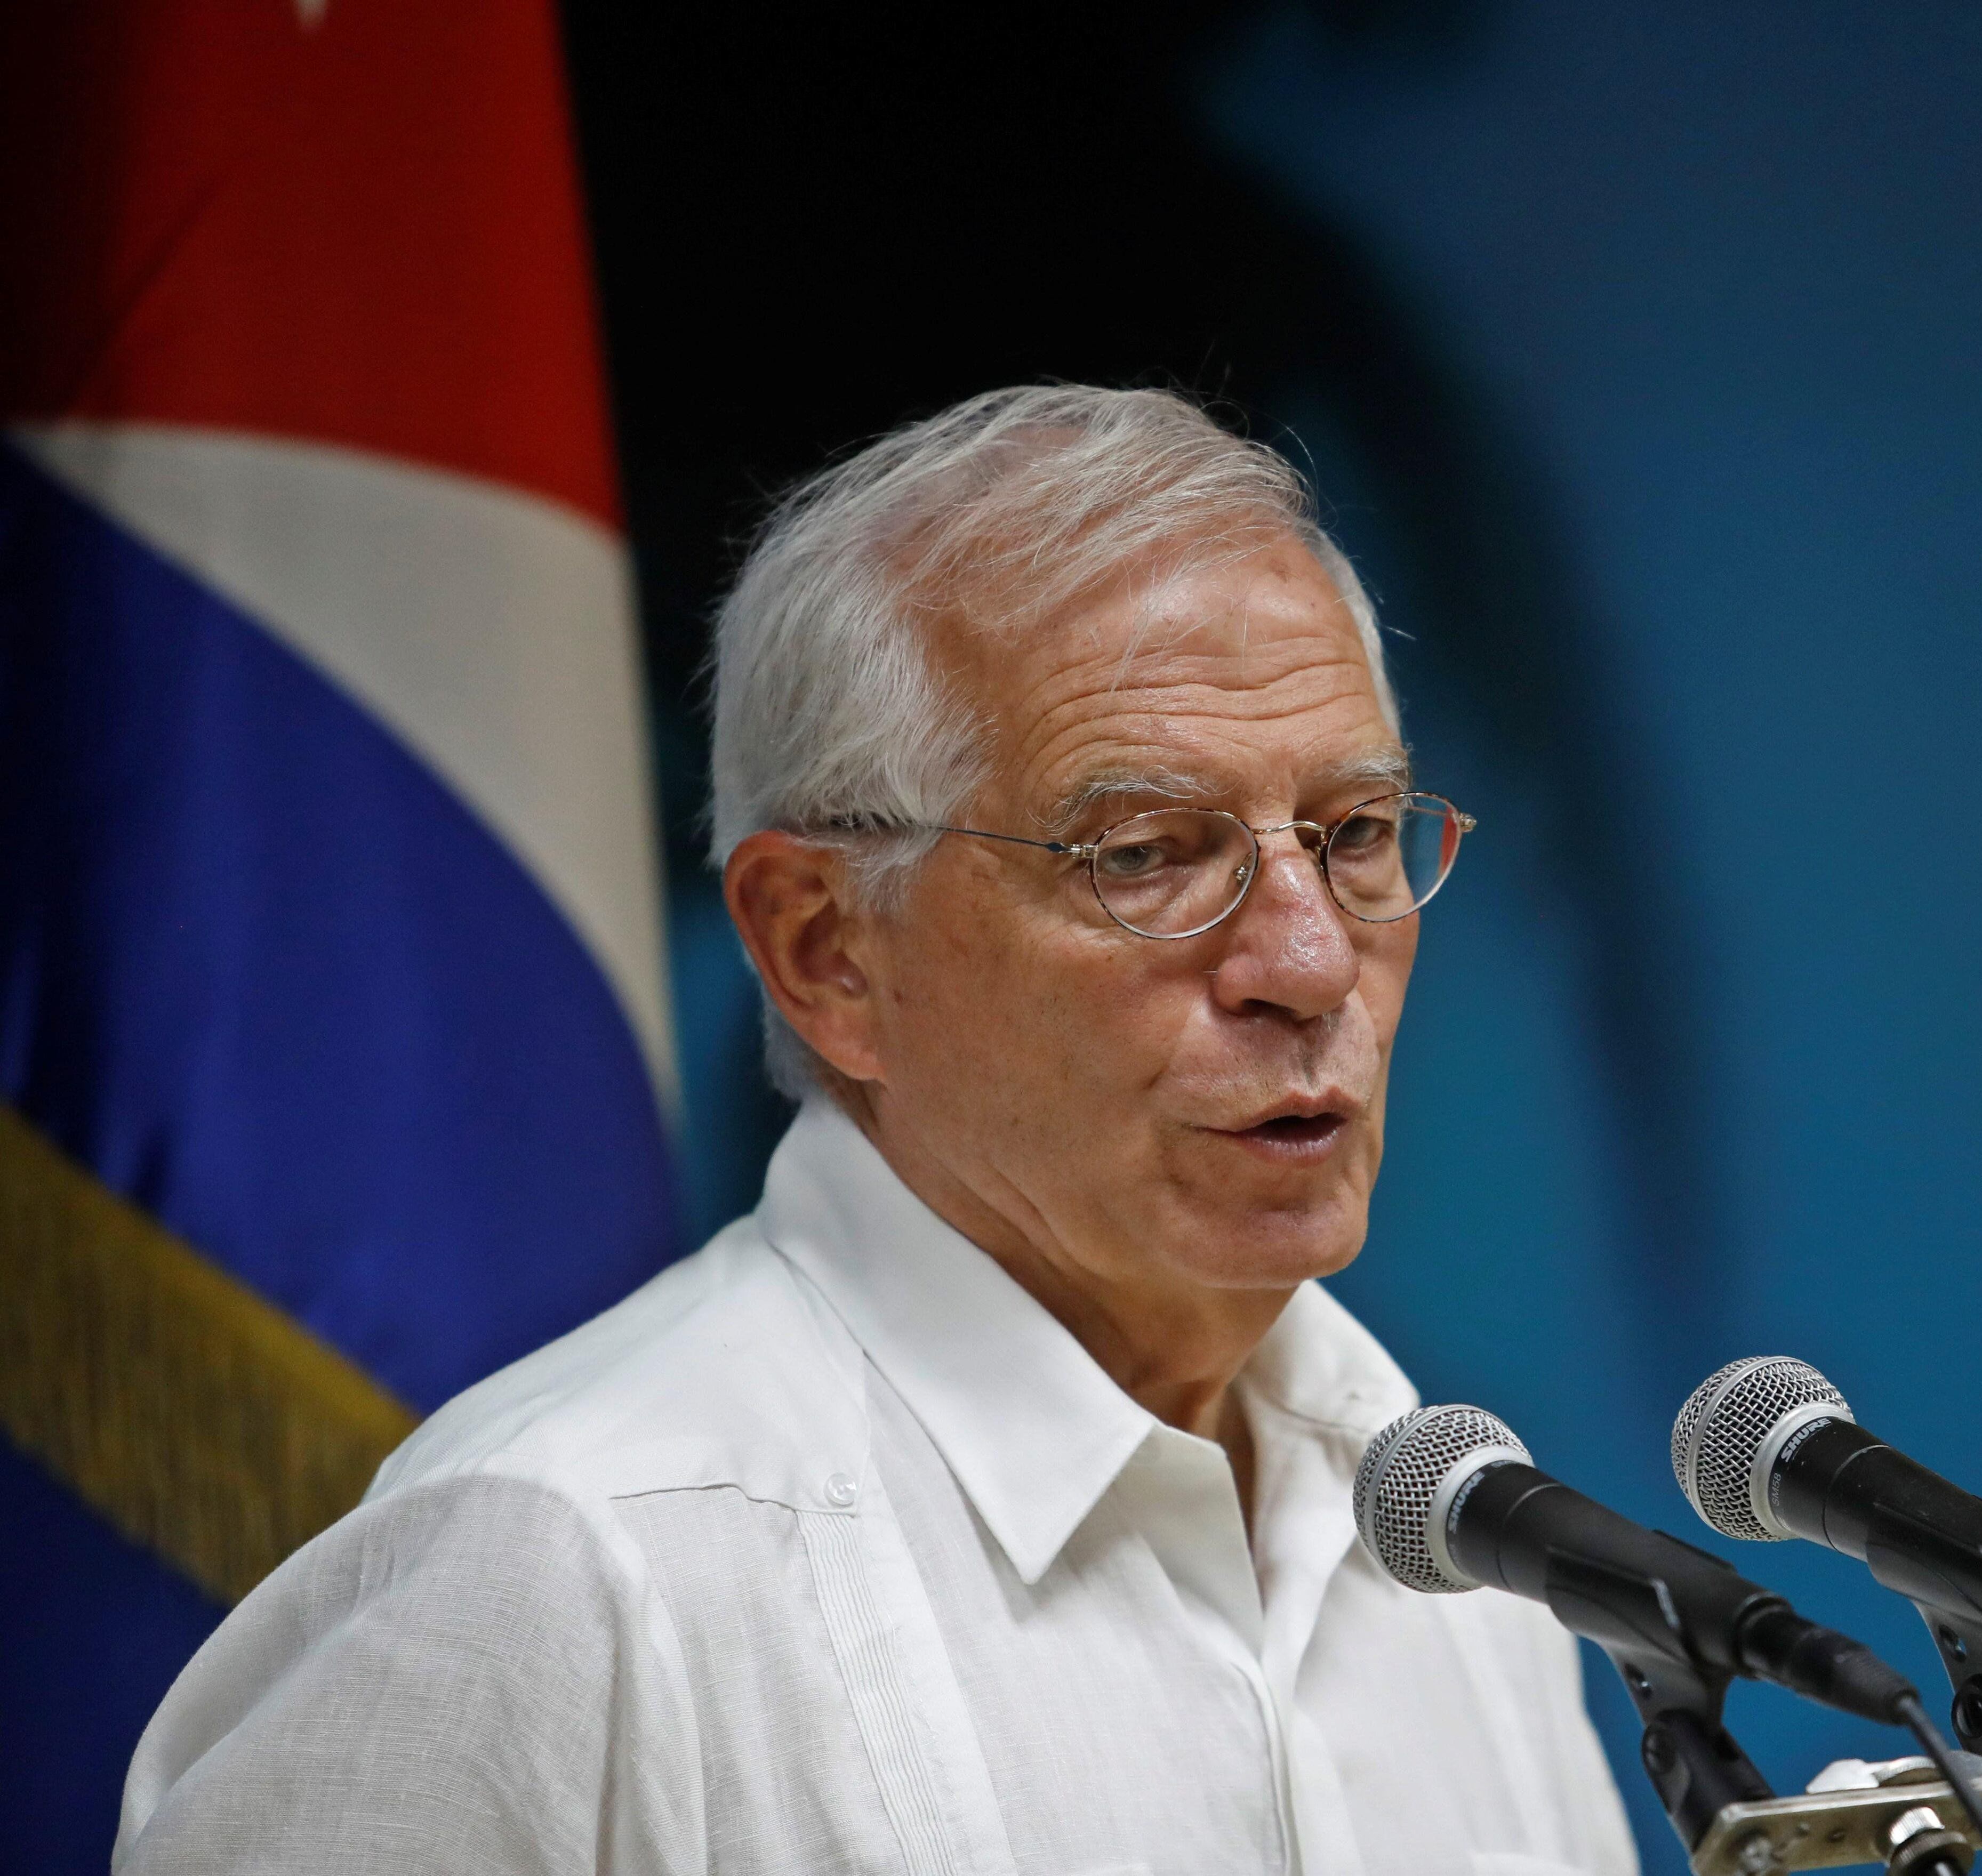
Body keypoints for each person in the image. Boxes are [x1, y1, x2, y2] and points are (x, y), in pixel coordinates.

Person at [116, 387, 1640, 1875]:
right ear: (827, 951)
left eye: (1356, 834)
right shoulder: (568, 1567)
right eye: (1149, 854)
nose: (1311, 966)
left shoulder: (1451, 1529)